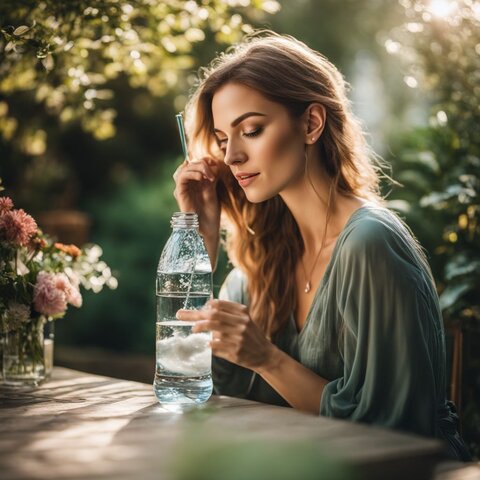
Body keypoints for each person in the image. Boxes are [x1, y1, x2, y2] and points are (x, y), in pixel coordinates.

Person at [172, 31, 471, 461]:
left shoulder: (370, 244)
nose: (233, 155)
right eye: (222, 140)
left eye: (251, 130)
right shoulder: (261, 262)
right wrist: (199, 238)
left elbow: (391, 438)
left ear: (311, 124)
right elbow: (189, 383)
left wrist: (268, 359)